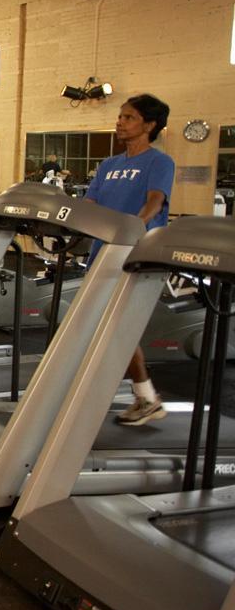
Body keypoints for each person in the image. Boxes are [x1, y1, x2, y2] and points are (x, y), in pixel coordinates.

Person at [84, 94, 175, 426]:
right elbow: (89, 204)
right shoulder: (108, 165)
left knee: (117, 327)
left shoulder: (159, 162)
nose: (120, 122)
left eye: (129, 117)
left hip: (135, 253)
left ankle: (145, 397)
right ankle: (143, 396)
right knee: (105, 327)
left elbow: (155, 201)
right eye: (120, 116)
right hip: (102, 252)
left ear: (149, 125)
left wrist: (132, 229)